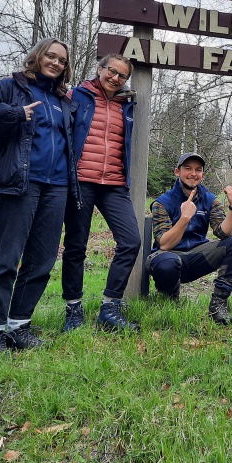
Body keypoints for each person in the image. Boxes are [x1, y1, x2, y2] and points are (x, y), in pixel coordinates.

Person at [0, 37, 78, 358]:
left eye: (62, 60)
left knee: (42, 260)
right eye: (51, 56)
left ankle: (19, 326)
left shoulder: (62, 100)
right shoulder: (10, 87)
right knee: (6, 260)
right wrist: (14, 113)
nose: (56, 63)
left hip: (56, 188)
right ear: (37, 56)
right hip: (19, 185)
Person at [60, 54, 141, 333]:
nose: (115, 78)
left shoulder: (126, 103)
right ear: (100, 69)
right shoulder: (77, 96)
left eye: (122, 75)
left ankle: (110, 308)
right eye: (111, 71)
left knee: (131, 241)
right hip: (82, 180)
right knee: (76, 246)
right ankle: (73, 309)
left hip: (114, 183)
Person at [146, 154, 232, 324]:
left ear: (203, 175)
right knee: (169, 262)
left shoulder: (210, 199)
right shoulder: (162, 203)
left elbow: (224, 233)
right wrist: (184, 218)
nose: (193, 173)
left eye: (198, 170)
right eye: (188, 168)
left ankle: (218, 304)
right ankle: (170, 298)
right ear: (177, 172)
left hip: (196, 256)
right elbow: (165, 244)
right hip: (166, 257)